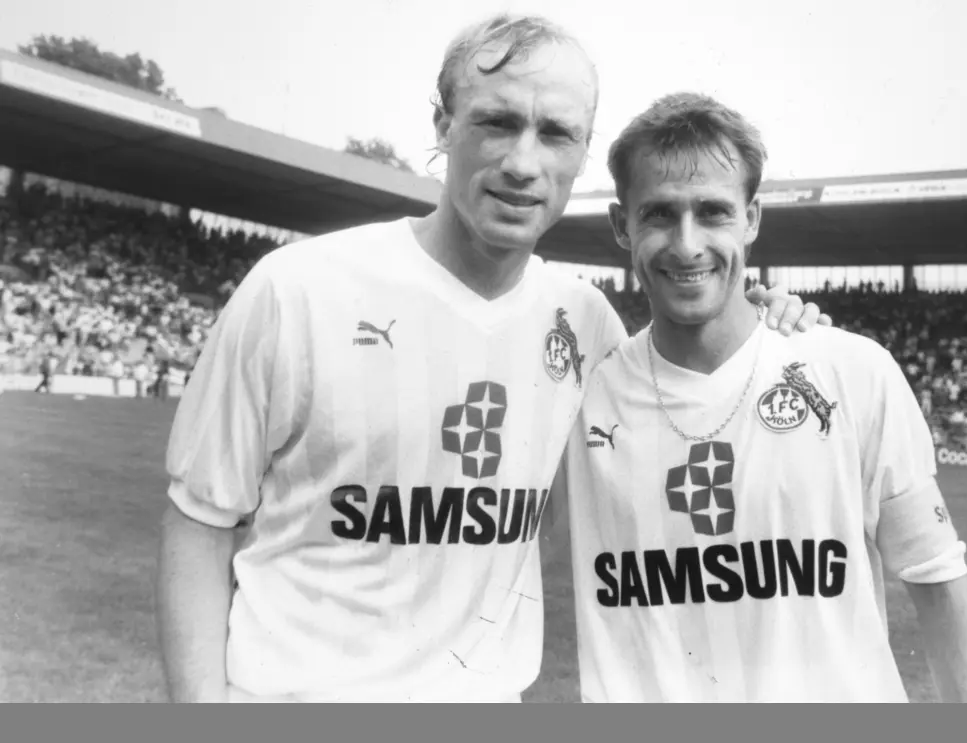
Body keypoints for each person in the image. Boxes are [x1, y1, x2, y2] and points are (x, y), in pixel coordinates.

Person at [155, 14, 830, 704]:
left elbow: (694, 405)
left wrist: (778, 321)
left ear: (582, 151)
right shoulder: (296, 290)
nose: (522, 163)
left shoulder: (585, 324)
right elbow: (199, 520)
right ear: (444, 124)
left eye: (556, 133)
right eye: (497, 122)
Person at [557, 92, 967, 703]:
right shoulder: (578, 396)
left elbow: (938, 582)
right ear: (621, 225)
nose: (687, 244)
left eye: (713, 212)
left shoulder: (852, 371)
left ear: (753, 219)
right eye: (659, 214)